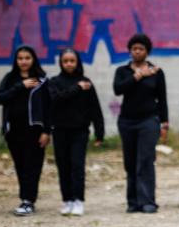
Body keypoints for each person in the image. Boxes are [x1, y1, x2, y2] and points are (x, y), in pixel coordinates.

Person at [113, 33, 168, 214]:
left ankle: (148, 201)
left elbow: (162, 99)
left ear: (147, 51)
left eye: (141, 49)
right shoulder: (123, 71)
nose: (137, 52)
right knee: (130, 162)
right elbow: (118, 89)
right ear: (130, 51)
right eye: (134, 49)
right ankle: (133, 201)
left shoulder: (157, 72)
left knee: (145, 160)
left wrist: (164, 123)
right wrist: (138, 76)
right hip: (127, 121)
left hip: (149, 121)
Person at [48, 48, 105, 216]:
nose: (69, 64)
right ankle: (67, 201)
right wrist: (76, 88)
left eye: (72, 61)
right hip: (59, 131)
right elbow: (55, 99)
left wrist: (99, 133)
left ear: (77, 62)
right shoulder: (54, 82)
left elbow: (95, 109)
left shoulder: (86, 83)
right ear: (61, 63)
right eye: (65, 61)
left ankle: (79, 200)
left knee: (77, 166)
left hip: (79, 131)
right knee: (63, 166)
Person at [0, 45, 51, 216]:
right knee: (20, 166)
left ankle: (28, 200)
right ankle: (25, 199)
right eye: (20, 58)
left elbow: (49, 108)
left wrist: (46, 131)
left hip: (35, 132)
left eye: (27, 58)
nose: (24, 61)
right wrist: (21, 85)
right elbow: (0, 98)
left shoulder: (42, 81)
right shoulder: (10, 78)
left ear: (33, 59)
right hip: (14, 131)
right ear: (16, 60)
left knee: (32, 166)